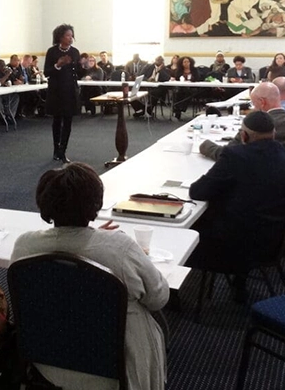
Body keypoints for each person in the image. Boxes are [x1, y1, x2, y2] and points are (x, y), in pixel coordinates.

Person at [11, 163, 168, 390]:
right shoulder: (120, 249)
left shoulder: (24, 246)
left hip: (48, 362)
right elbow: (158, 298)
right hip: (114, 371)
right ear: (95, 205)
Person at [188, 111, 285, 301]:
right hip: (275, 240)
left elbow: (198, 192)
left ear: (244, 136)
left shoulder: (235, 155)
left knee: (188, 225)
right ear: (274, 133)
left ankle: (171, 295)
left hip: (235, 243)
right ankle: (239, 281)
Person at [200, 82, 285, 160]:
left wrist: (206, 145)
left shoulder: (253, 127)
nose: (253, 107)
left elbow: (225, 155)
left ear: (262, 102)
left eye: (253, 103)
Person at [44, 24, 85, 162]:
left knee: (68, 121)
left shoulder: (75, 52)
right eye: (68, 35)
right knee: (57, 121)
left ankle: (63, 151)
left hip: (70, 91)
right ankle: (56, 149)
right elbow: (46, 72)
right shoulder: (52, 52)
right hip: (56, 91)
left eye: (71, 35)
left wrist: (84, 66)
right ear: (60, 37)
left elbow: (79, 73)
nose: (71, 38)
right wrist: (58, 65)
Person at [171, 56, 202, 120]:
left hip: (192, 88)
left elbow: (197, 78)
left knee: (188, 92)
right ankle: (178, 111)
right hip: (181, 87)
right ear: (181, 63)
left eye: (188, 62)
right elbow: (177, 78)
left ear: (190, 62)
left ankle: (180, 109)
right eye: (184, 62)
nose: (186, 63)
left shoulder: (194, 70)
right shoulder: (179, 70)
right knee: (177, 93)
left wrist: (192, 79)